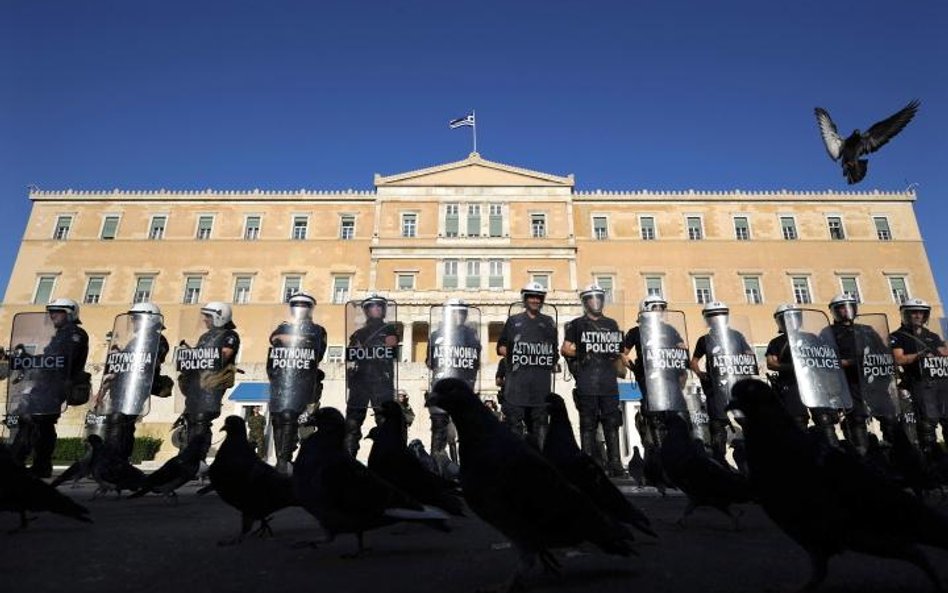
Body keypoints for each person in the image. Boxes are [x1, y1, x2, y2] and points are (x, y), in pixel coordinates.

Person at [10, 298, 90, 478]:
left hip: (57, 386)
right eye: (51, 310)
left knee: (36, 420)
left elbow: (60, 360)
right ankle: (38, 465)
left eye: (58, 311)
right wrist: (23, 358)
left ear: (70, 313)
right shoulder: (60, 334)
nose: (52, 314)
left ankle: (22, 463)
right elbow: (48, 359)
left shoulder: (74, 334)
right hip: (45, 385)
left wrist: (30, 360)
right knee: (38, 423)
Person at [561, 284, 627, 476]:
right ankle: (587, 462)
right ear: (585, 302)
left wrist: (626, 364)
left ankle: (615, 463)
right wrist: (581, 352)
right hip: (587, 379)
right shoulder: (576, 324)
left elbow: (619, 351)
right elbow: (565, 349)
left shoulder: (612, 324)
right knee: (588, 423)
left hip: (608, 380)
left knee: (612, 422)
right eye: (592, 298)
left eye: (599, 298)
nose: (596, 301)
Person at [98, 302, 170, 461]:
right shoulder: (135, 340)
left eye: (136, 318)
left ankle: (119, 460)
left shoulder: (157, 340)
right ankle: (112, 459)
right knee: (116, 423)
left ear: (149, 319)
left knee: (122, 422)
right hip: (121, 387)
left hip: (136, 387)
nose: (133, 322)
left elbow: (149, 363)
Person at [690, 301, 756, 463]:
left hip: (736, 385)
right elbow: (694, 361)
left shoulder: (736, 335)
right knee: (717, 425)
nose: (715, 319)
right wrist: (700, 374)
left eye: (718, 315)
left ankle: (753, 457)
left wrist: (747, 367)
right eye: (712, 316)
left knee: (746, 422)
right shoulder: (704, 339)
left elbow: (748, 354)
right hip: (716, 387)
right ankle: (719, 461)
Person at [267, 293, 326, 473]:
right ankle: (282, 460)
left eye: (304, 304)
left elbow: (317, 350)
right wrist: (299, 340)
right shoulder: (284, 326)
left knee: (295, 419)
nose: (300, 307)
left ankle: (288, 461)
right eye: (296, 304)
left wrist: (290, 340)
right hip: (282, 378)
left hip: (304, 380)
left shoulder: (317, 329)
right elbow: (275, 339)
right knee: (279, 418)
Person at [765, 304, 841, 445]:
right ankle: (804, 455)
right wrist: (795, 366)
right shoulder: (777, 342)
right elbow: (771, 363)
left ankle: (834, 451)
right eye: (787, 318)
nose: (791, 321)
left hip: (814, 383)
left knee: (824, 419)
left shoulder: (812, 337)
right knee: (797, 421)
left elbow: (825, 357)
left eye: (793, 317)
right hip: (790, 384)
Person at [622, 295, 689, 448]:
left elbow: (682, 350)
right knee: (654, 416)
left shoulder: (669, 329)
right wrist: (633, 367)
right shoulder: (635, 331)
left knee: (676, 415)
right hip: (649, 379)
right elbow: (622, 353)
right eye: (656, 308)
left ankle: (679, 450)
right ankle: (660, 451)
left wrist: (683, 372)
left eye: (661, 308)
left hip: (670, 378)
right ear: (646, 309)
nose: (659, 311)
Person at [497, 282, 558, 448]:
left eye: (539, 297)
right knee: (514, 428)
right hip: (516, 386)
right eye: (531, 296)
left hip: (540, 387)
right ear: (525, 299)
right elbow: (501, 347)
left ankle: (540, 464)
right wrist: (518, 353)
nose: (535, 300)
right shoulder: (513, 321)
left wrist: (553, 362)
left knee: (540, 429)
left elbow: (553, 351)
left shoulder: (549, 322)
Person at [176, 301, 240, 460]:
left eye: (208, 316)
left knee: (201, 419)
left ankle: (198, 458)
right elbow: (197, 357)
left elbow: (224, 355)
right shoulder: (205, 336)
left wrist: (199, 358)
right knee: (191, 418)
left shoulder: (229, 335)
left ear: (219, 317)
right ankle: (189, 457)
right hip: (196, 384)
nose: (205, 320)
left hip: (212, 383)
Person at [426, 298, 480, 472]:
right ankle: (437, 465)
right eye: (454, 313)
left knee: (465, 430)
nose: (458, 316)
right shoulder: (436, 335)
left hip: (462, 387)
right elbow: (429, 361)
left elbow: (475, 360)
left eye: (461, 313)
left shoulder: (471, 335)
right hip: (442, 388)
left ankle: (467, 468)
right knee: (439, 429)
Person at [890, 298, 948, 457]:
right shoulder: (897, 336)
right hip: (918, 383)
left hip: (942, 382)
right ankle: (931, 460)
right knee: (927, 424)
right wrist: (918, 356)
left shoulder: (933, 335)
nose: (917, 315)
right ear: (905, 314)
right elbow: (898, 358)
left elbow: (944, 352)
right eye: (913, 312)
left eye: (921, 313)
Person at [345, 294, 398, 457]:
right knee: (352, 423)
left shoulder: (389, 329)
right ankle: (348, 460)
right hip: (360, 380)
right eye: (373, 306)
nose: (377, 309)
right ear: (367, 310)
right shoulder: (358, 333)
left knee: (384, 422)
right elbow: (351, 354)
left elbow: (391, 344)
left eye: (380, 306)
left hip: (382, 379)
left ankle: (384, 460)